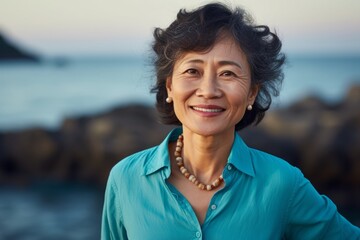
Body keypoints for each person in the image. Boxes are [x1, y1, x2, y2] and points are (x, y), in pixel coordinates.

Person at [101, 3, 360, 239]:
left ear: (252, 93)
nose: (208, 90)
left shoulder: (283, 183)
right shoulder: (126, 179)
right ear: (170, 87)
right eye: (193, 71)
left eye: (227, 73)